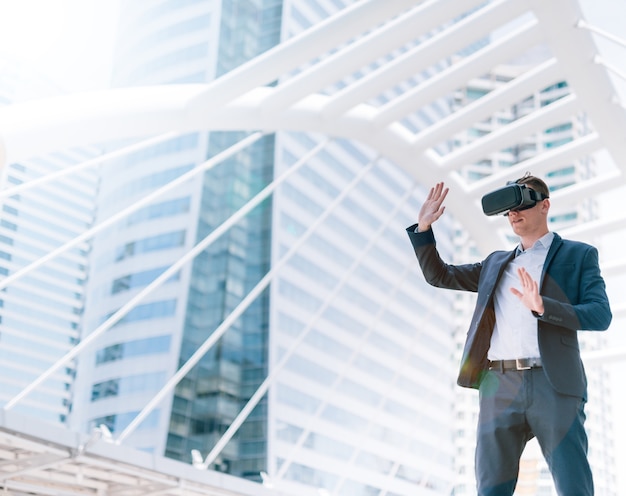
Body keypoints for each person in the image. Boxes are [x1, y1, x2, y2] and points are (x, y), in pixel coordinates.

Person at [406, 174, 611, 496]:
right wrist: (423, 230)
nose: (513, 214)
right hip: (498, 385)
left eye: (521, 206)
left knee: (573, 486)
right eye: (508, 211)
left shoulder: (579, 255)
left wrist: (545, 306)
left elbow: (600, 316)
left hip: (553, 383)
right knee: (490, 488)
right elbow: (439, 275)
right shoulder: (495, 264)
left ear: (545, 205)